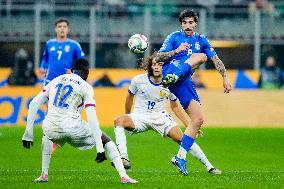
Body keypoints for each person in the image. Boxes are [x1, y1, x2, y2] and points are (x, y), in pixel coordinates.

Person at [21, 58, 138, 184]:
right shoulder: (85, 87)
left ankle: (44, 175)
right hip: (73, 128)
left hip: (51, 127)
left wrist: (28, 134)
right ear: (87, 73)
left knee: (47, 136)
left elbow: (33, 103)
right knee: (106, 139)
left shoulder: (56, 80)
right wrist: (99, 149)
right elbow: (92, 119)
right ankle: (124, 177)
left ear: (72, 70)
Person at [114, 52, 221, 175]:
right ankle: (124, 157)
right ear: (150, 66)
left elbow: (175, 107)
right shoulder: (138, 80)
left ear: (164, 66)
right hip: (140, 116)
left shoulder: (170, 82)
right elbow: (129, 98)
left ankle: (209, 167)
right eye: (154, 64)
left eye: (160, 64)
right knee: (118, 121)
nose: (156, 67)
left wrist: (188, 125)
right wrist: (128, 115)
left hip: (160, 117)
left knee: (183, 139)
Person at [156, 9, 232, 175]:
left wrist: (225, 78)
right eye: (184, 22)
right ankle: (173, 76)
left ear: (195, 23)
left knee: (197, 120)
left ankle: (180, 157)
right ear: (181, 24)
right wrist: (176, 51)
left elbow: (216, 59)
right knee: (201, 57)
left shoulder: (201, 39)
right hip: (170, 71)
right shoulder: (174, 37)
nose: (187, 26)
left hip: (184, 80)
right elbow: (159, 57)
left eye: (190, 22)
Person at [39, 17, 85, 152]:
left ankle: (64, 135)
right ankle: (50, 138)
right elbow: (45, 59)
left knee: (66, 108)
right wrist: (42, 67)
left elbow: (81, 62)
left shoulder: (74, 45)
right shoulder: (49, 44)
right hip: (50, 81)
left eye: (64, 26)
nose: (62, 29)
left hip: (67, 82)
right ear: (56, 29)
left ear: (68, 29)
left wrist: (77, 73)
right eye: (59, 26)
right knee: (49, 109)